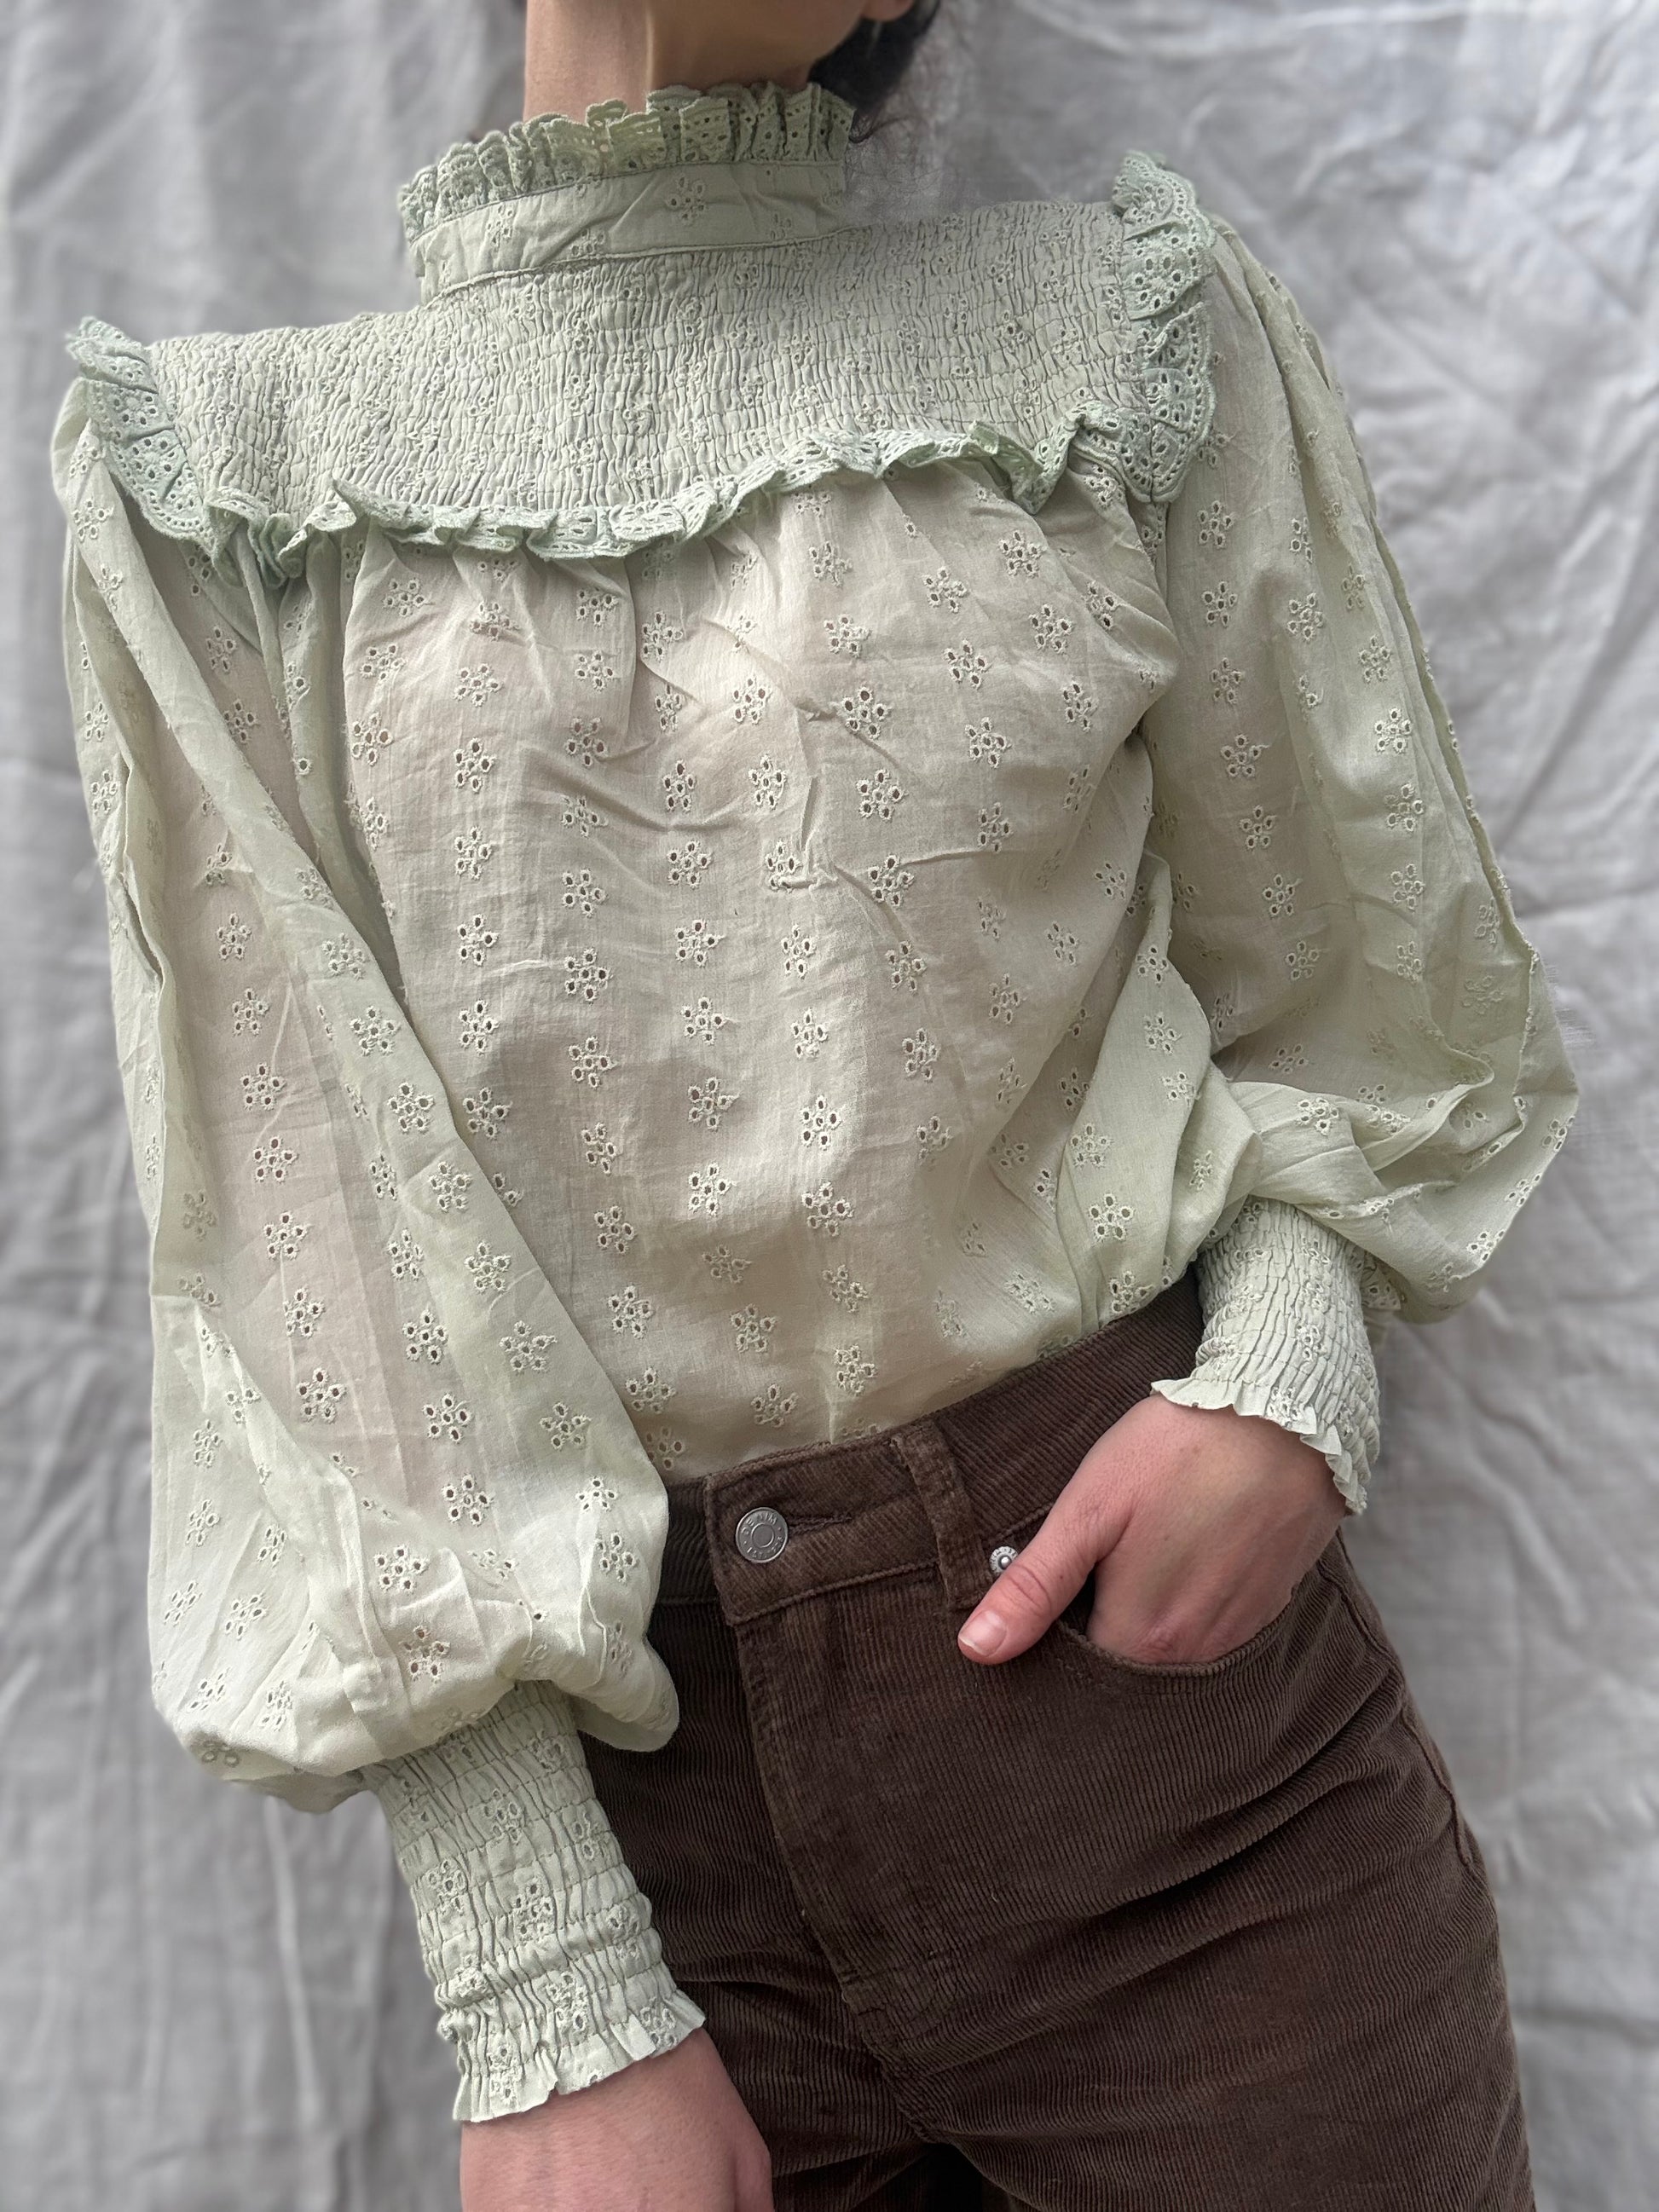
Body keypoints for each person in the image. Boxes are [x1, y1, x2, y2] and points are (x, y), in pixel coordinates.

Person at [49, 0, 1579, 2205]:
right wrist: (540, 1982)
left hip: (1194, 1794)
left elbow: (1357, 972)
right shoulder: (225, 479)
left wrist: (1284, 1372)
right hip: (648, 1874)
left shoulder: (1120, 336)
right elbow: (310, 1258)